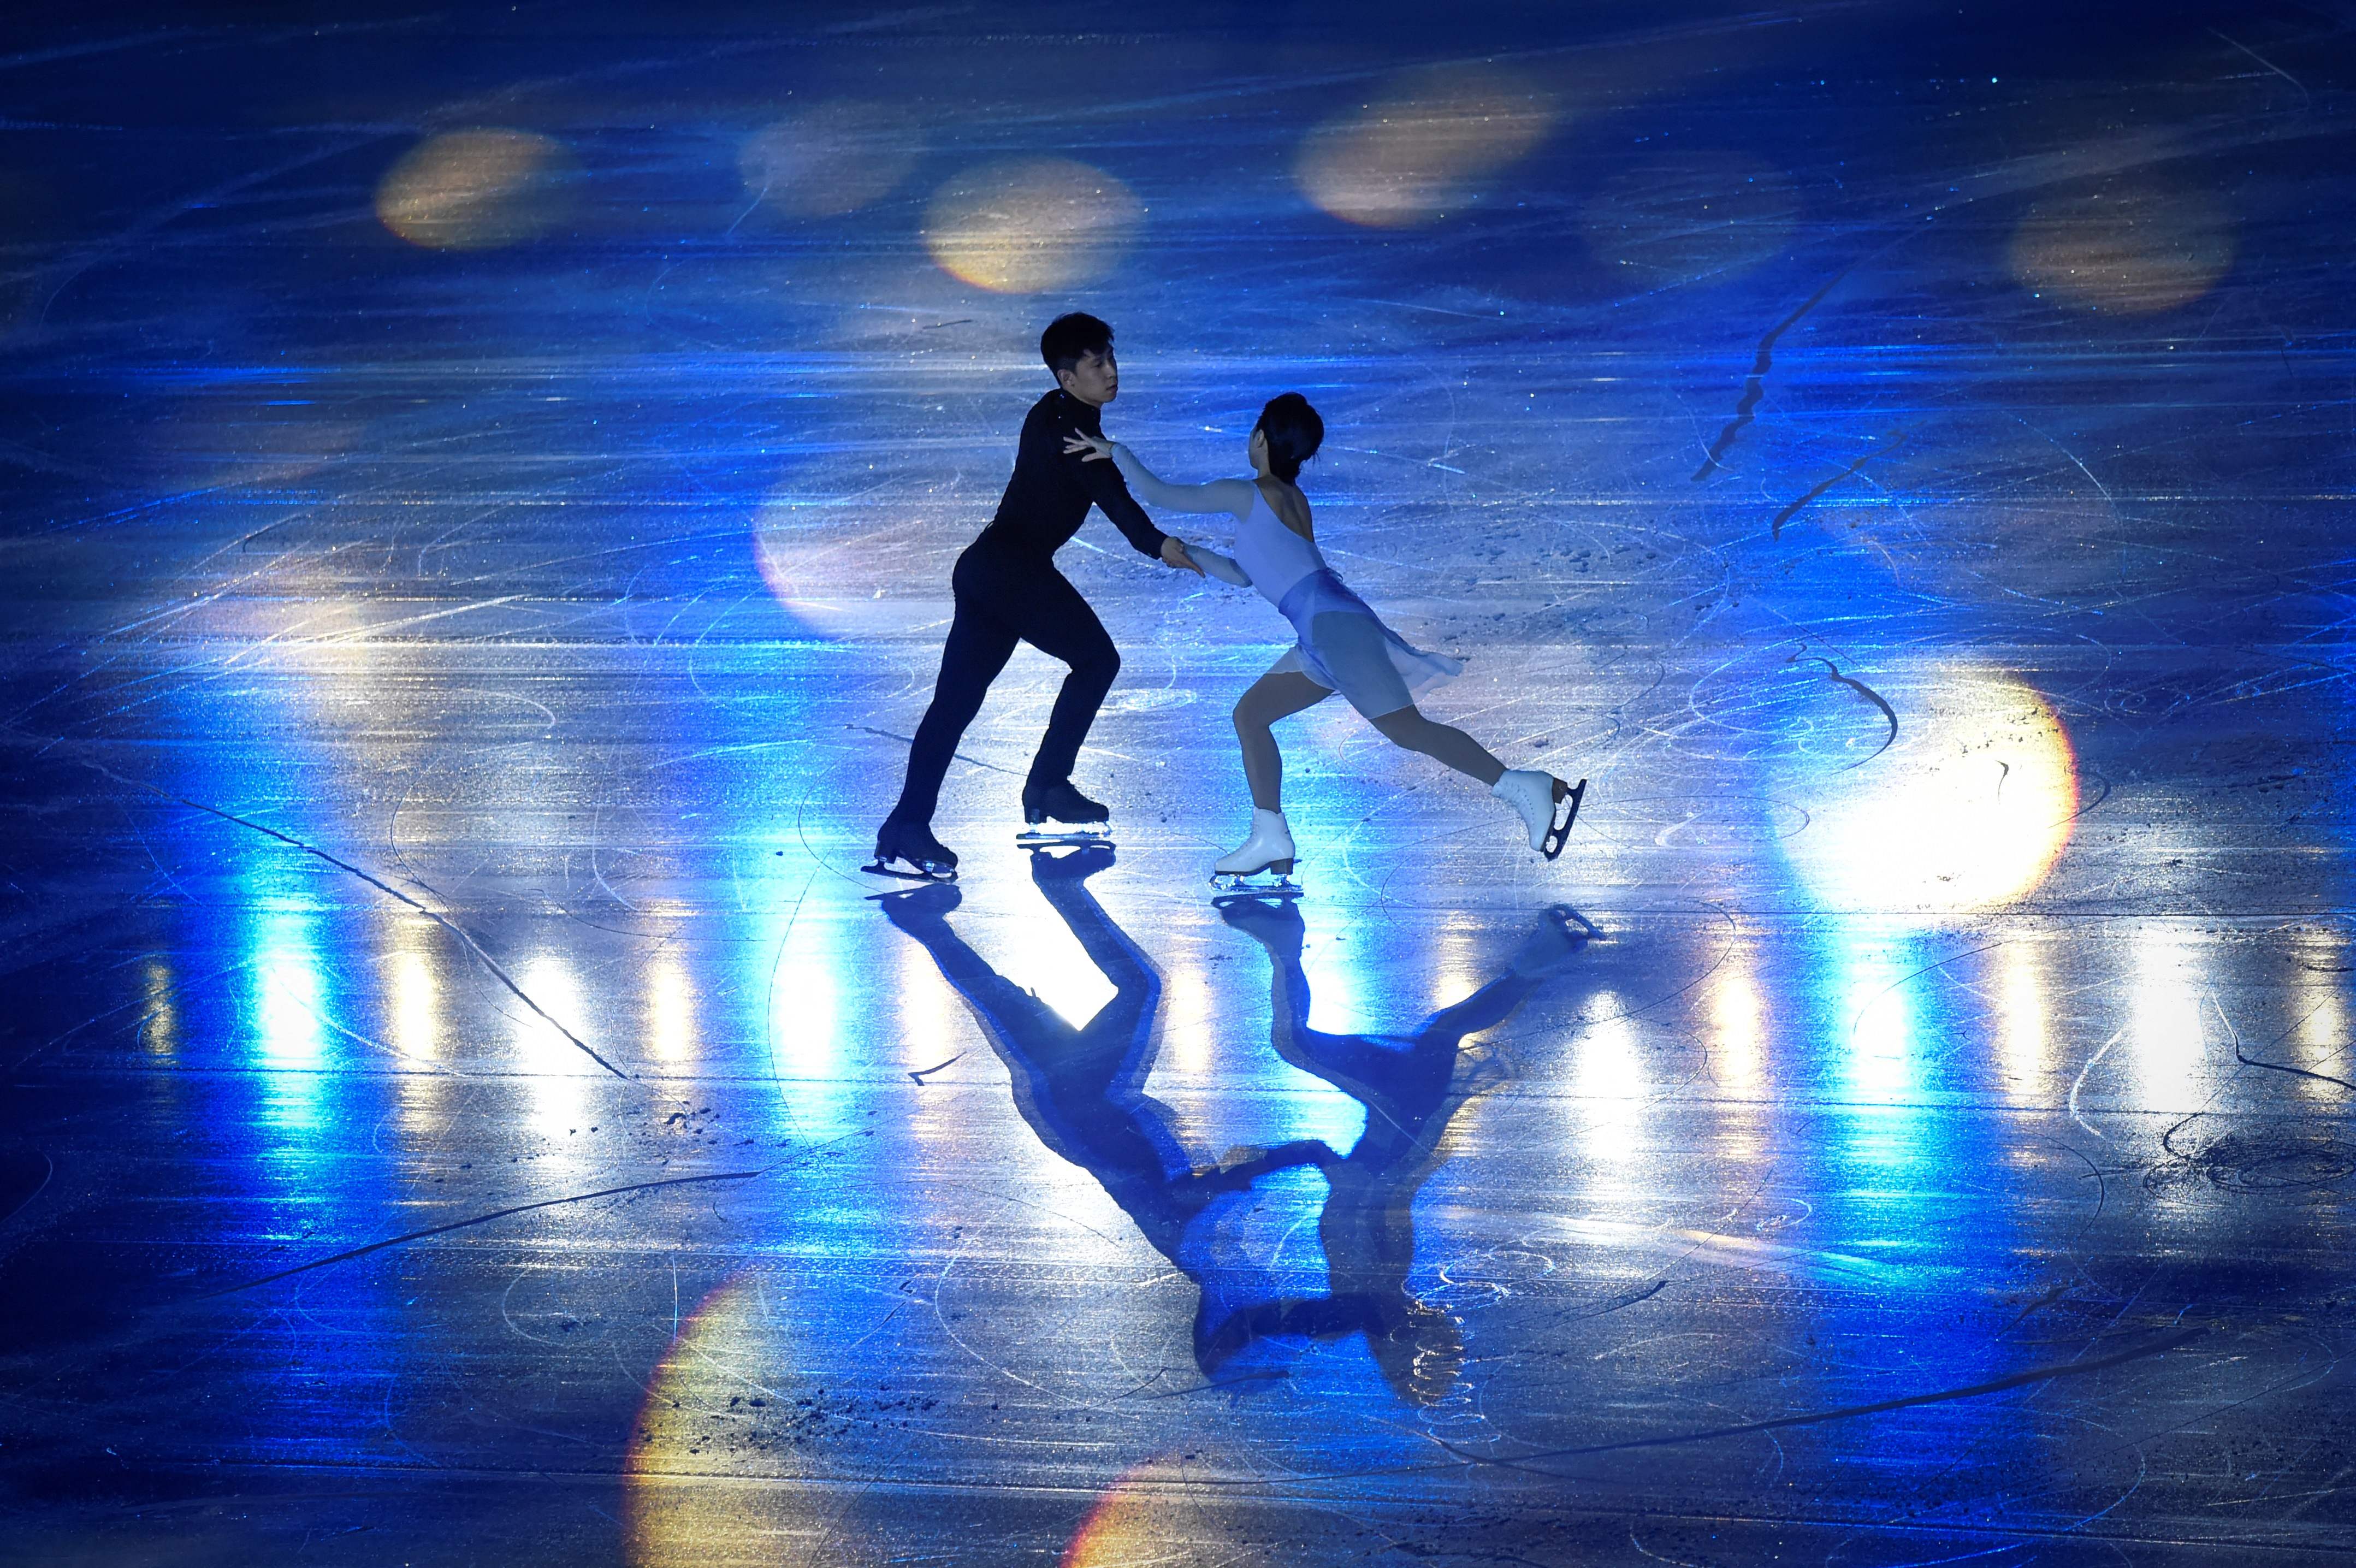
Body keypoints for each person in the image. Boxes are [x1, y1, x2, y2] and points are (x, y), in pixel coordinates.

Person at [1064, 393, 1583, 889]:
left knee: (1408, 731)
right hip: (1323, 627)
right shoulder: (1291, 498)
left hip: (1332, 630)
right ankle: (1270, 835)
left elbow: (1160, 494)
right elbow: (1249, 574)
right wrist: (1188, 552)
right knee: (1251, 715)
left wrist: (1115, 452)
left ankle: (1523, 786)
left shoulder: (1248, 493)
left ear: (1261, 439)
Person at [870, 313, 1201, 880]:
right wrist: (1170, 548)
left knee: (954, 708)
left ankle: (907, 824)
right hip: (1012, 572)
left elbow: (1100, 471)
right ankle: (1047, 785)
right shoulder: (1078, 438)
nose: (1111, 373)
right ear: (1068, 377)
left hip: (985, 570)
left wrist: (1113, 451)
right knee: (1097, 661)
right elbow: (1124, 513)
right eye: (1096, 365)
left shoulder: (1050, 411)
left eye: (1111, 359)